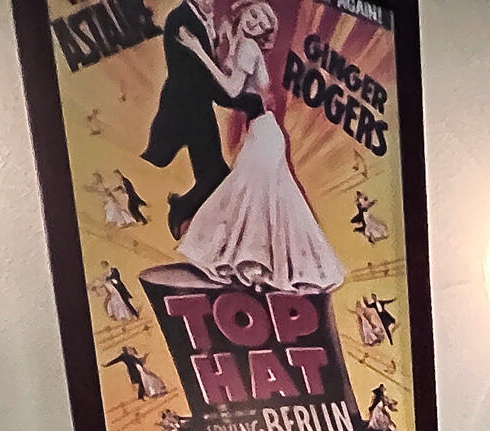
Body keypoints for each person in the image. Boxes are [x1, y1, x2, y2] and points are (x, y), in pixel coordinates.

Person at [175, 2, 347, 293]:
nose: (256, 23)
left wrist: (196, 49)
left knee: (250, 194)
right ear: (244, 12)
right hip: (261, 133)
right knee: (262, 197)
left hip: (265, 134)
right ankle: (255, 266)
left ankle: (254, 266)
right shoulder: (239, 45)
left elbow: (230, 90)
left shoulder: (248, 50)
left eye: (263, 22)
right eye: (254, 15)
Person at [142, 0, 257, 238]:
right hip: (186, 108)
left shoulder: (208, 18)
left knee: (215, 176)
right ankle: (183, 211)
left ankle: (193, 218)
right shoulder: (180, 20)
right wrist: (236, 100)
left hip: (198, 106)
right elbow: (193, 77)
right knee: (213, 176)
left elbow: (210, 69)